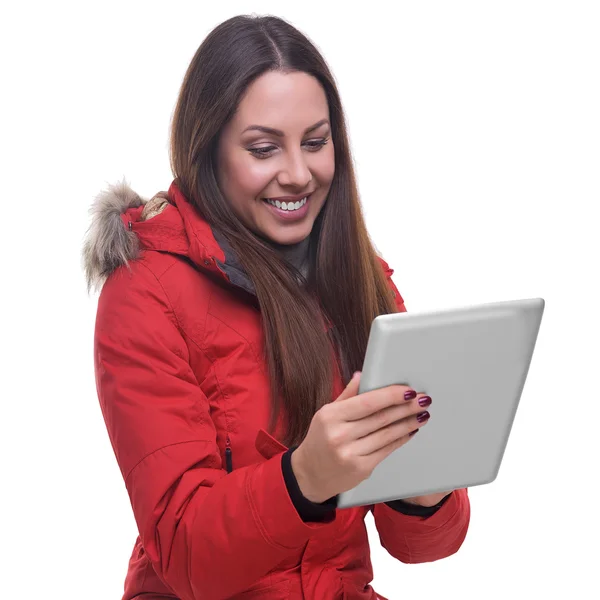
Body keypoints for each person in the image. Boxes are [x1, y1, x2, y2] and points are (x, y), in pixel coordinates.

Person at [82, 14, 470, 600]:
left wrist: (425, 485)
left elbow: (424, 546)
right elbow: (187, 558)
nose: (297, 174)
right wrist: (304, 478)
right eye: (263, 148)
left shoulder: (362, 278)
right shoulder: (144, 294)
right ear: (206, 150)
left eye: (315, 143)